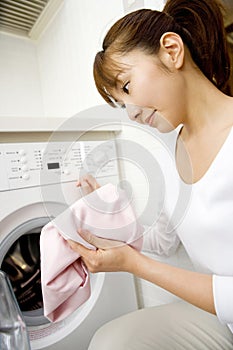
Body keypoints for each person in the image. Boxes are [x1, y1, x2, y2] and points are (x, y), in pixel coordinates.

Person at [68, 0, 233, 348]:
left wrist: (135, 265)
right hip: (226, 321)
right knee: (109, 341)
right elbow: (163, 239)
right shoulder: (169, 152)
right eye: (120, 102)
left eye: (126, 87)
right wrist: (107, 212)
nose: (130, 113)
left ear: (171, 51)